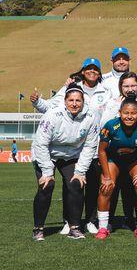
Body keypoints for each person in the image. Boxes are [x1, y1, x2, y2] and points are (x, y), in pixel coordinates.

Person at [31, 83, 99, 241]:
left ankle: (74, 228)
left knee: (76, 183)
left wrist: (80, 171)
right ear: (65, 101)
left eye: (78, 100)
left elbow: (90, 146)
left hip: (71, 155)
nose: (74, 104)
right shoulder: (52, 115)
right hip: (46, 153)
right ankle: (38, 228)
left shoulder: (91, 117)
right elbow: (41, 144)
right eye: (71, 100)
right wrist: (48, 171)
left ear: (83, 102)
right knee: (47, 185)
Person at [95, 97, 137, 240]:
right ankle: (103, 228)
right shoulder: (110, 126)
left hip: (133, 160)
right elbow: (102, 151)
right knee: (106, 187)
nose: (129, 116)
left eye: (133, 113)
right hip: (113, 160)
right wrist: (106, 176)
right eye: (126, 113)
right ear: (120, 113)